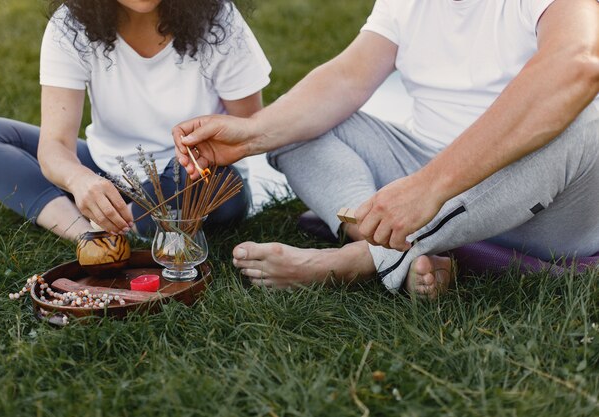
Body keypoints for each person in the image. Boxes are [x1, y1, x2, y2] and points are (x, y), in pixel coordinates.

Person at [173, 0, 599, 297]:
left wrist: (430, 187)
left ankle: (362, 258)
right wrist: (250, 134)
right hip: (428, 178)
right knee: (297, 127)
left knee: (583, 115)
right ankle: (398, 239)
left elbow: (577, 64)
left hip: (542, 205)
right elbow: (346, 80)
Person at [0, 0, 271, 241]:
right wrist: (80, 179)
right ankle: (88, 234)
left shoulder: (219, 19)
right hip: (109, 172)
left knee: (215, 184)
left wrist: (197, 155)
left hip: (196, 177)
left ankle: (122, 223)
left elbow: (250, 130)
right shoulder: (70, 25)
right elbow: (56, 146)